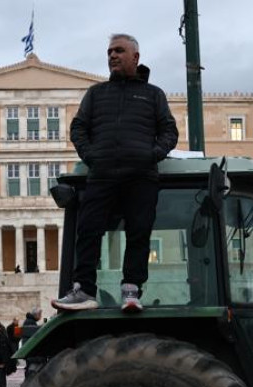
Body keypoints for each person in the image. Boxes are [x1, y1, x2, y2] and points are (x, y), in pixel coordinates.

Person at [52, 33, 178, 314]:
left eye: (119, 51)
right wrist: (92, 156)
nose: (112, 56)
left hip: (141, 174)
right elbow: (78, 129)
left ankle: (131, 290)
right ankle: (83, 290)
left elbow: (169, 131)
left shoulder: (153, 94)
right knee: (88, 230)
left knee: (139, 232)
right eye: (109, 51)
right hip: (103, 172)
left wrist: (151, 154)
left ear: (135, 57)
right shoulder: (96, 94)